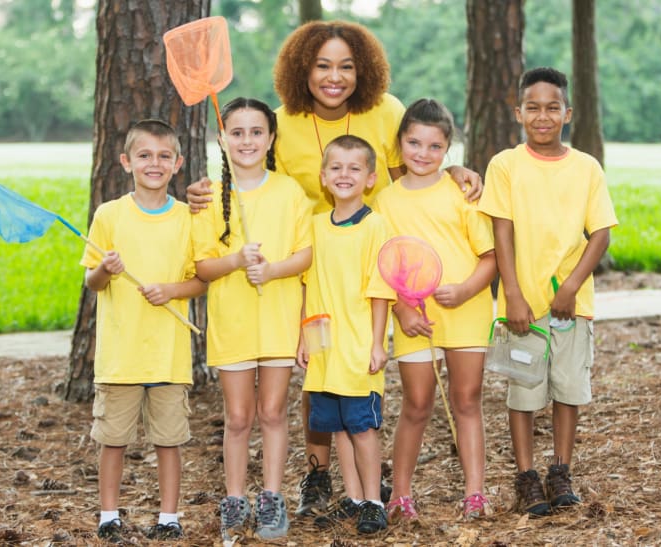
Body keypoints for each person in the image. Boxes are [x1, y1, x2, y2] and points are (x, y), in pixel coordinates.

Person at [186, 20, 483, 517]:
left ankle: (366, 483)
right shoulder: (280, 122)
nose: (334, 76)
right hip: (304, 259)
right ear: (302, 69)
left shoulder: (384, 111)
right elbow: (248, 173)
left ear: (362, 70)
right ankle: (319, 473)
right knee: (315, 369)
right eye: (322, 65)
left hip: (362, 256)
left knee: (355, 373)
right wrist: (206, 189)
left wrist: (454, 170)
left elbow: (412, 162)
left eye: (346, 66)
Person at [477, 67, 618, 517]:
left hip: (570, 305)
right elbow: (503, 233)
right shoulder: (505, 164)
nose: (542, 116)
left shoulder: (586, 168)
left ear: (568, 113)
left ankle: (561, 471)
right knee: (524, 392)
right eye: (533, 108)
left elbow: (600, 234)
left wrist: (572, 287)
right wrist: (512, 294)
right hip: (524, 305)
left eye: (552, 107)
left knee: (568, 389)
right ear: (518, 112)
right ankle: (527, 477)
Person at [190, 98, 313, 541]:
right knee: (238, 417)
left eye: (256, 132)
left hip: (278, 321)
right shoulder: (207, 199)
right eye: (236, 132)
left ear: (271, 138)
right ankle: (235, 499)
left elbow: (305, 254)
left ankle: (272, 499)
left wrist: (272, 269)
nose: (246, 141)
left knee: (273, 412)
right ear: (221, 139)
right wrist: (236, 261)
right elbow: (202, 268)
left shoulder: (289, 192)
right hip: (234, 323)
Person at [80, 119, 207, 542]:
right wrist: (104, 268)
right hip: (120, 356)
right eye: (144, 155)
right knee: (113, 440)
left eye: (164, 156)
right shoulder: (109, 215)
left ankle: (168, 517)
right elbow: (92, 284)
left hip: (168, 356)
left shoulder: (189, 219)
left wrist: (170, 290)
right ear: (126, 161)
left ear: (178, 163)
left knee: (169, 441)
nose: (154, 163)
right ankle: (108, 515)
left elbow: (201, 280)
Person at [372, 99, 497, 521]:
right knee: (418, 403)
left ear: (448, 149)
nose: (423, 154)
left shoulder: (461, 192)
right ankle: (401, 494)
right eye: (414, 143)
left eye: (434, 146)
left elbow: (490, 256)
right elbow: (384, 264)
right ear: (400, 143)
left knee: (466, 400)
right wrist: (403, 310)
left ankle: (475, 493)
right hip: (414, 315)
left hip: (466, 309)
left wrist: (464, 291)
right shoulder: (386, 202)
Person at [296, 135, 394, 534]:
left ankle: (374, 501)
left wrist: (377, 343)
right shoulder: (315, 227)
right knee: (336, 428)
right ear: (323, 176)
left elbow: (380, 292)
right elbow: (306, 284)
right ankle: (352, 499)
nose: (344, 175)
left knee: (362, 429)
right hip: (323, 347)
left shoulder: (376, 227)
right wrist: (302, 338)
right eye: (336, 167)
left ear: (370, 178)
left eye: (355, 168)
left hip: (357, 349)